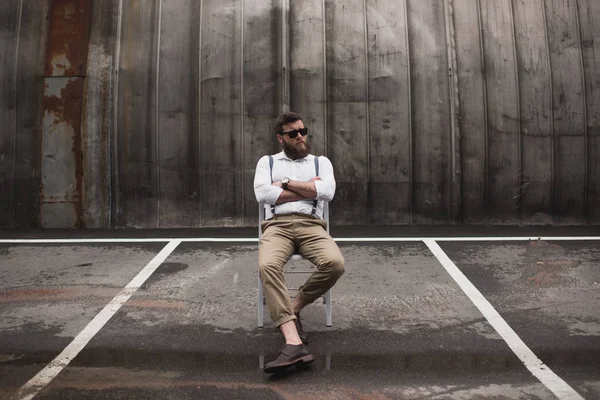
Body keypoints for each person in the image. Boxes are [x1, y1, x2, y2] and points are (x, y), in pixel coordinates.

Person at [253, 111, 345, 373]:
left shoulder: (321, 162)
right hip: (277, 227)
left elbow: (327, 192)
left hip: (311, 226)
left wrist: (284, 185)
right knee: (267, 266)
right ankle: (293, 340)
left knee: (335, 263)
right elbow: (262, 194)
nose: (301, 136)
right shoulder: (267, 162)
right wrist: (307, 188)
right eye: (293, 133)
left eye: (303, 131)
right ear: (281, 138)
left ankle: (292, 307)